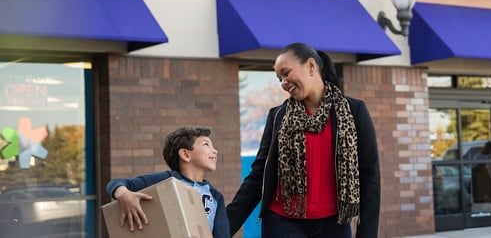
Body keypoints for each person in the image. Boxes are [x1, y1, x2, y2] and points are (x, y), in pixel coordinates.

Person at [227, 42, 381, 238]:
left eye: (286, 73)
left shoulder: (354, 111)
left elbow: (370, 177)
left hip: (334, 224)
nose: (283, 82)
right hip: (283, 223)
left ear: (310, 66)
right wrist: (224, 226)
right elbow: (259, 175)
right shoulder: (278, 116)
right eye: (279, 78)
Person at [105, 126, 230, 238]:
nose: (215, 151)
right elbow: (116, 183)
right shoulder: (165, 181)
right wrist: (124, 195)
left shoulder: (215, 197)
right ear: (185, 154)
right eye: (206, 144)